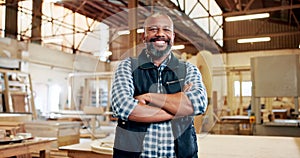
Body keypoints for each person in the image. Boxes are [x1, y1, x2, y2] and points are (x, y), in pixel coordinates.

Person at [111, 12, 208, 158]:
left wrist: (150, 97)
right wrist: (179, 108)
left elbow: (198, 103)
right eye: (153, 29)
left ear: (173, 37)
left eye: (166, 29)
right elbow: (124, 107)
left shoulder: (188, 69)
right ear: (144, 37)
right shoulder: (127, 67)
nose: (160, 34)